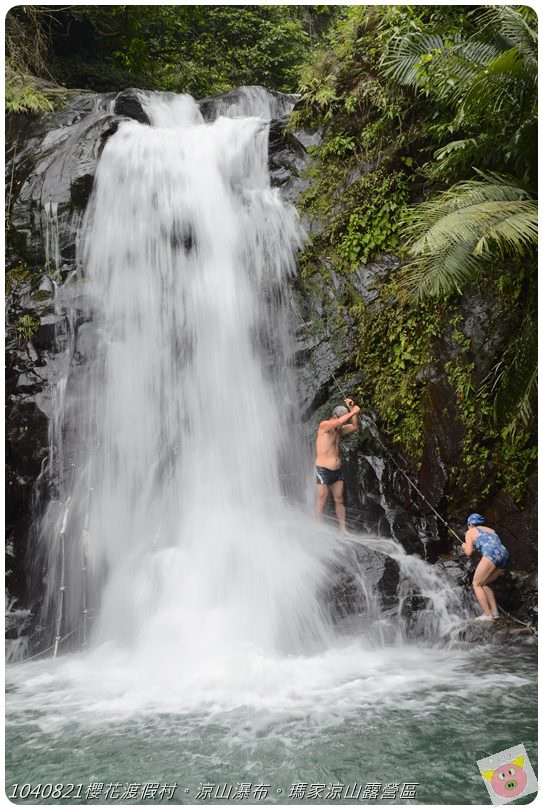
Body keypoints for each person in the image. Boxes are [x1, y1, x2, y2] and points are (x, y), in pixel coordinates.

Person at [315, 397, 360, 535]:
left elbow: (354, 426)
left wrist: (353, 410)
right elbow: (340, 421)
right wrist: (355, 410)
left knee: (339, 499)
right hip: (323, 470)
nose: (341, 425)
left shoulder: (339, 430)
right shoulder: (324, 426)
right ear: (334, 417)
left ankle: (343, 530)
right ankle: (317, 530)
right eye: (340, 421)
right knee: (322, 500)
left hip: (337, 471)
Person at [462, 513, 510, 621]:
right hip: (504, 555)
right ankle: (495, 613)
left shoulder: (470, 531)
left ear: (470, 524)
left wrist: (464, 546)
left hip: (492, 554)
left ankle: (487, 615)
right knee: (485, 584)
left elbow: (469, 552)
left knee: (476, 584)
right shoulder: (491, 530)